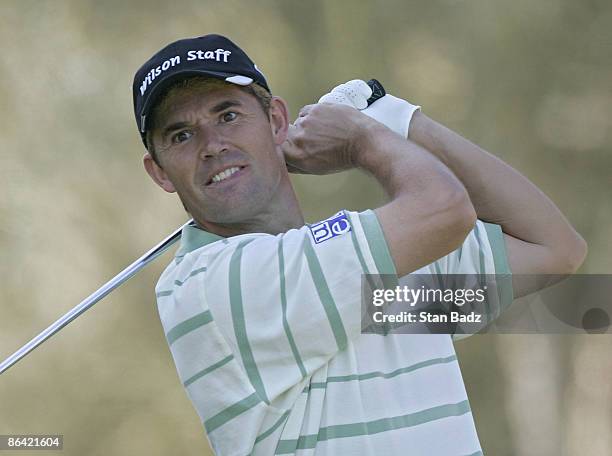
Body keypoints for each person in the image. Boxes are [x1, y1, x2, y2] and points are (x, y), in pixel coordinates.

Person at [132, 34, 586, 455]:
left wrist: (398, 118)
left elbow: (554, 247)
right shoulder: (212, 284)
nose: (212, 145)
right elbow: (445, 209)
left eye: (228, 115)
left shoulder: (379, 276)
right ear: (159, 172)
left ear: (275, 122)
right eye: (181, 135)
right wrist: (365, 136)